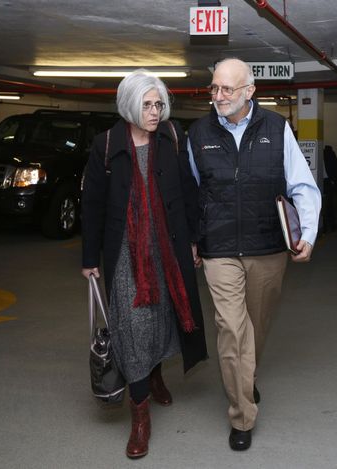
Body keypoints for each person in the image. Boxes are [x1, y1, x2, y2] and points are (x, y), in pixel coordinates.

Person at [186, 58, 321, 451]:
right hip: (219, 248)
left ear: (250, 91)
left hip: (267, 248)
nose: (219, 96)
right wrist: (193, 239)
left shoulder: (277, 129)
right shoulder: (198, 133)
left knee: (255, 329)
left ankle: (247, 377)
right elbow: (190, 193)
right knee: (231, 329)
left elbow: (302, 186)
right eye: (214, 88)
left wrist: (307, 235)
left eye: (227, 89)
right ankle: (242, 414)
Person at [81, 70, 207, 459]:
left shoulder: (169, 137)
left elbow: (188, 190)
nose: (155, 112)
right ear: (129, 105)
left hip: (165, 246)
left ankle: (154, 373)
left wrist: (192, 241)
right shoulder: (105, 146)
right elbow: (92, 205)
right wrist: (89, 259)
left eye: (159, 105)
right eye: (148, 105)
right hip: (123, 250)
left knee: (161, 316)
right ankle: (140, 417)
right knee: (131, 326)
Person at [322, 144, 337, 233]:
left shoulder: (328, 153)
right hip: (318, 181)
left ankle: (331, 225)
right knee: (323, 206)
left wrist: (333, 180)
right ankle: (324, 227)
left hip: (327, 181)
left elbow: (336, 168)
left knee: (328, 205)